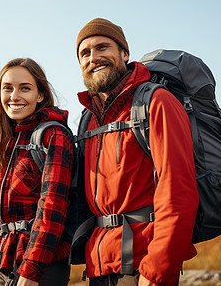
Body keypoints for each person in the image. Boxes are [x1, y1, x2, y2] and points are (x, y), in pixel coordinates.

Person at [75, 18, 199, 286]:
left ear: (124, 53)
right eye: (85, 53)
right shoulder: (89, 119)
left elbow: (178, 191)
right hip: (100, 265)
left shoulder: (157, 102)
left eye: (102, 47)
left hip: (142, 265)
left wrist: (156, 271)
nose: (93, 58)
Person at [0, 58, 73, 286]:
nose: (14, 96)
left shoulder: (54, 136)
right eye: (8, 88)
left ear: (40, 95)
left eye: (25, 88)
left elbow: (53, 208)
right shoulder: (5, 140)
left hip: (41, 266)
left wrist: (32, 270)